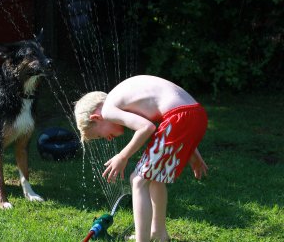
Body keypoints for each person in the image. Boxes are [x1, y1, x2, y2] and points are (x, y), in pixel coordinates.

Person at [74, 75, 208, 242]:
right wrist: (194, 153)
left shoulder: (108, 109)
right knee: (155, 178)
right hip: (196, 114)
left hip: (179, 116)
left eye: (100, 135)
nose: (108, 139)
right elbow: (182, 112)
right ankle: (159, 234)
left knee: (137, 180)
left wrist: (122, 156)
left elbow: (147, 127)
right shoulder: (127, 99)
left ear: (96, 118)